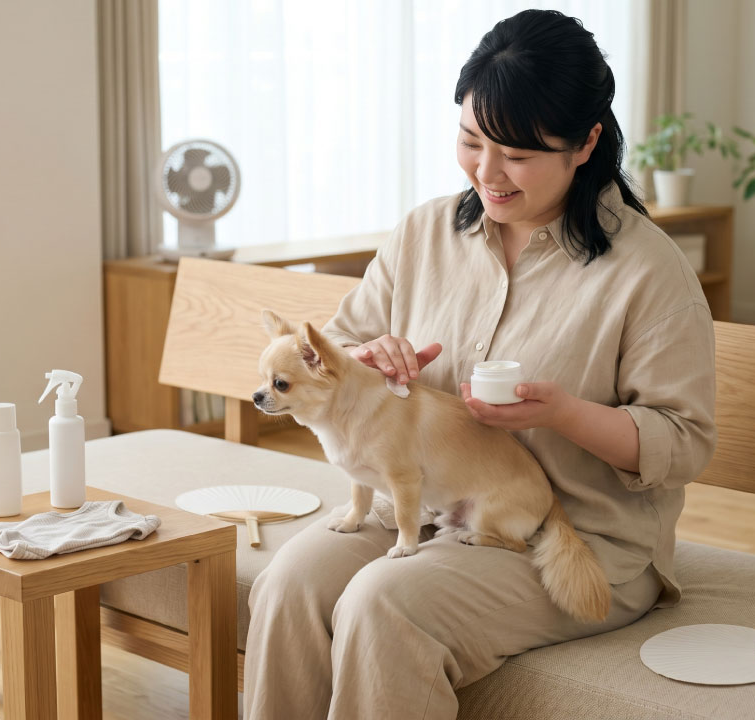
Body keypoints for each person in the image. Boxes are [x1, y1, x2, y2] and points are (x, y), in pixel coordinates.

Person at [242, 9, 716, 719]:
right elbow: (337, 344)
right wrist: (365, 359)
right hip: (423, 501)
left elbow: (684, 442)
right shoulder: (424, 232)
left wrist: (564, 414)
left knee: (383, 604)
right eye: (470, 141)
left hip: (576, 536)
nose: (486, 173)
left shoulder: (648, 271)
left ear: (586, 143)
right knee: (289, 585)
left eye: (518, 155)